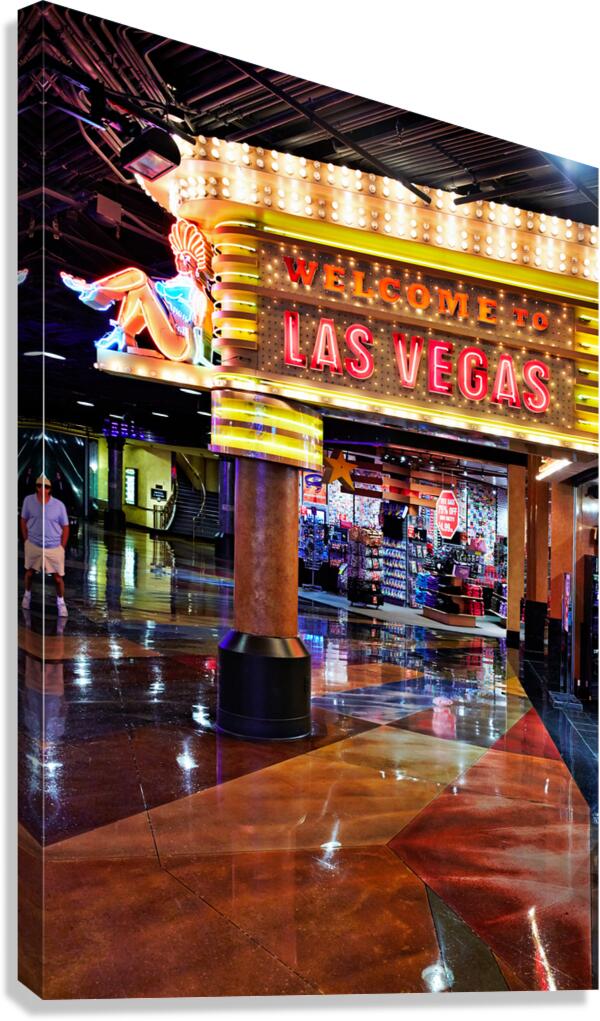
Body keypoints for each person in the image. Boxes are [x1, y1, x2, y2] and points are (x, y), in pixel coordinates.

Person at [20, 474, 70, 616]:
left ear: (50, 489)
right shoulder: (28, 501)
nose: (42, 489)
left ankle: (61, 603)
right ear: (36, 487)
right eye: (39, 486)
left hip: (53, 547)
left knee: (58, 577)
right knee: (29, 572)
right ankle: (27, 596)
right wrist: (26, 540)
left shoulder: (59, 505)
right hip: (34, 545)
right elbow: (23, 520)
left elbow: (65, 526)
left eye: (46, 487)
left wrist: (62, 547)